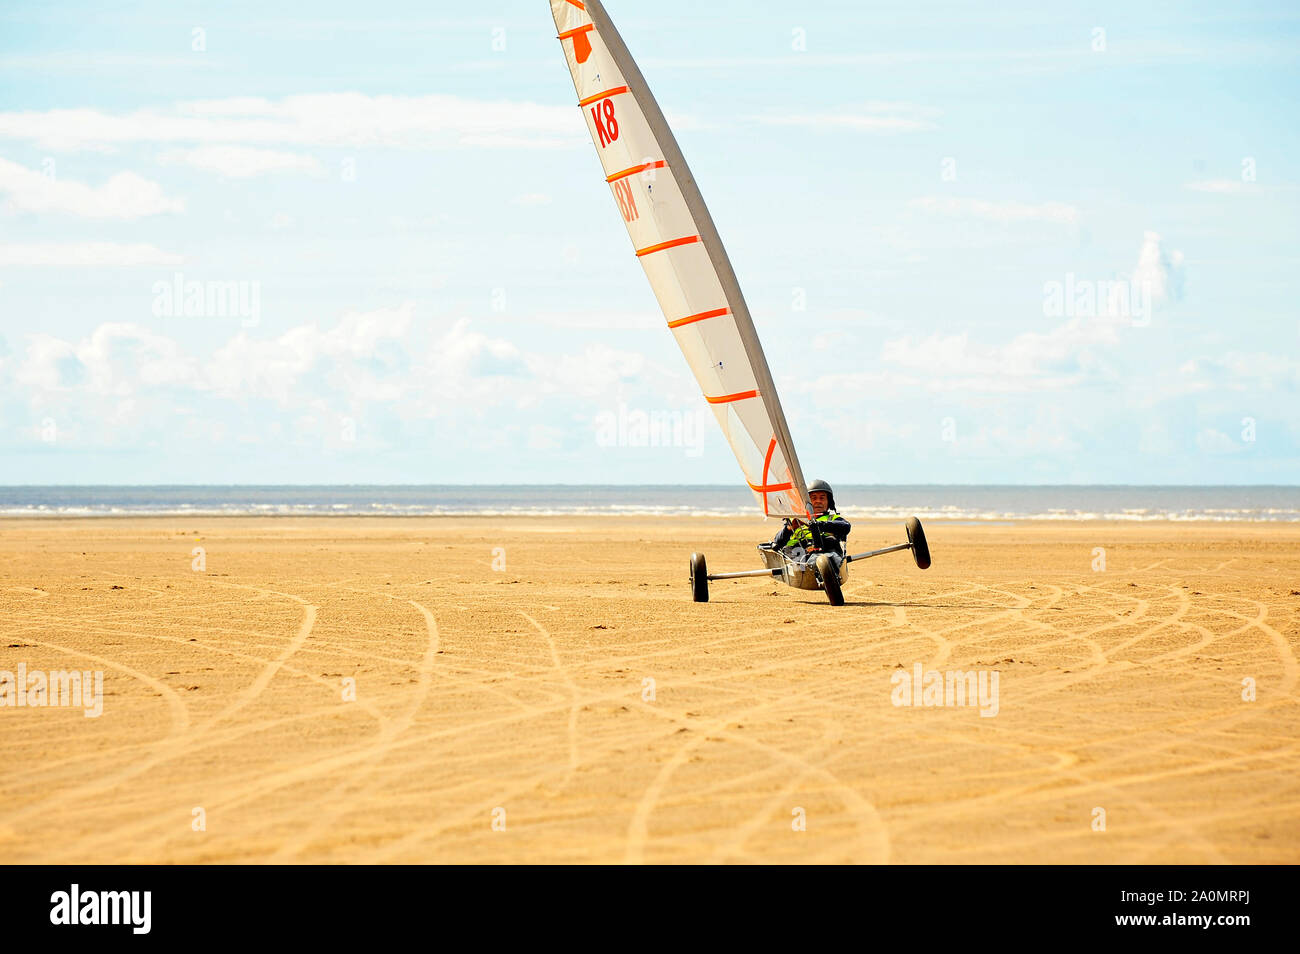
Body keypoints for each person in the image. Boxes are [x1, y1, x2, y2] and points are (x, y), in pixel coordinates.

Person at [767, 479, 850, 560]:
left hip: (827, 550)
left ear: (829, 502)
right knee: (793, 551)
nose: (818, 501)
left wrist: (817, 525)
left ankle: (818, 561)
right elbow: (777, 543)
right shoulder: (796, 521)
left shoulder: (833, 519)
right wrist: (788, 529)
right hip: (798, 553)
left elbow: (846, 527)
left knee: (830, 543)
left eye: (822, 498)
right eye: (813, 498)